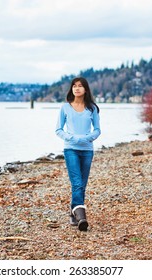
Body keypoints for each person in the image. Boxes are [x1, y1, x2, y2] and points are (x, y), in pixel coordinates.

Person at [55, 77, 101, 231]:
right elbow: (58, 129)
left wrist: (87, 138)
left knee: (82, 184)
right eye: (74, 86)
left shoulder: (92, 109)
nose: (77, 88)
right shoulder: (65, 108)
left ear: (85, 89)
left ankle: (73, 212)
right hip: (71, 149)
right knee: (77, 183)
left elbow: (97, 130)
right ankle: (81, 218)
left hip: (87, 150)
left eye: (80, 86)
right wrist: (72, 138)